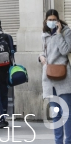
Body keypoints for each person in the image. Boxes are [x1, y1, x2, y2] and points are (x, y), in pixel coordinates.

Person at [39, 9, 71, 143]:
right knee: (56, 113)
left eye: (54, 19)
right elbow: (43, 51)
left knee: (67, 113)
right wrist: (40, 57)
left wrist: (58, 34)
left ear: (58, 20)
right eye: (49, 20)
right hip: (49, 78)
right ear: (46, 20)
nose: (51, 22)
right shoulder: (44, 35)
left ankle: (68, 141)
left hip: (63, 77)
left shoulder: (66, 32)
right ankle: (58, 141)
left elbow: (65, 50)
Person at [0, 17, 13, 129]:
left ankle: (0, 116)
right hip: (5, 70)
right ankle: (4, 117)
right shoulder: (7, 36)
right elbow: (12, 52)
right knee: (4, 93)